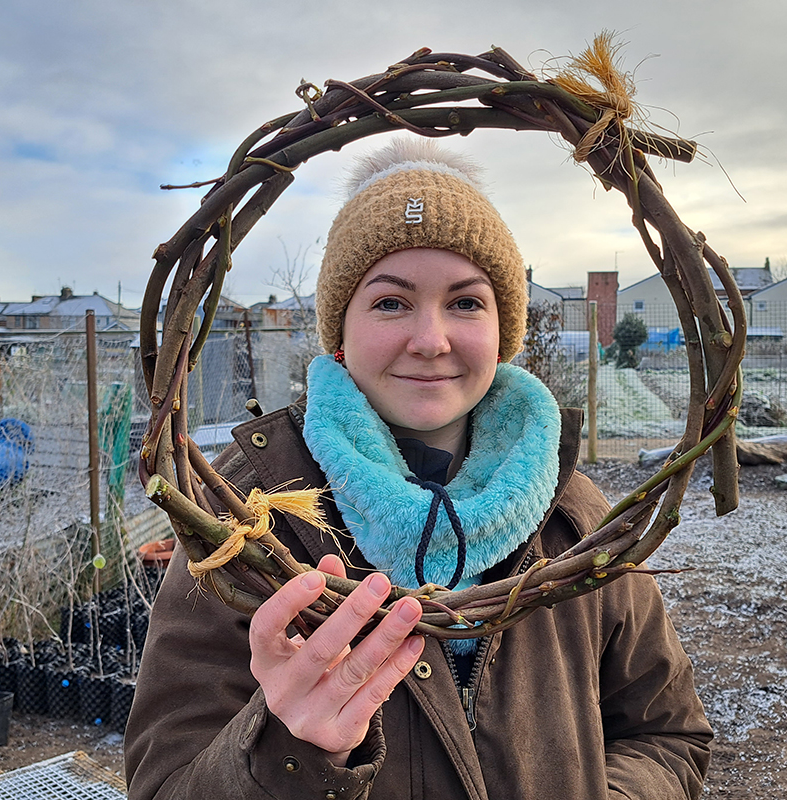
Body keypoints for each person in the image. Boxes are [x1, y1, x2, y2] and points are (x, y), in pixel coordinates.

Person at [124, 139, 712, 800]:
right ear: (340, 329)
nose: (430, 340)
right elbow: (163, 787)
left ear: (502, 330)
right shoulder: (248, 515)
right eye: (391, 302)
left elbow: (667, 736)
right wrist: (289, 751)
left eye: (466, 302)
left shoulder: (570, 511)